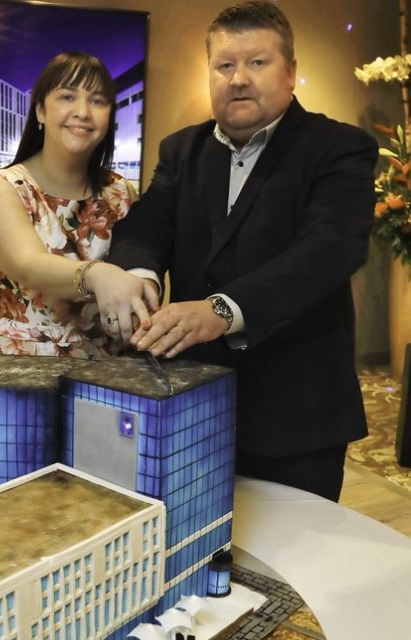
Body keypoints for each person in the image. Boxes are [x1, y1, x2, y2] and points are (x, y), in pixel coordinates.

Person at [108, 1, 378, 501]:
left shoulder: (339, 147)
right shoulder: (180, 150)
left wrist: (222, 311)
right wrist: (138, 276)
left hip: (296, 416)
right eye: (225, 65)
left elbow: (329, 250)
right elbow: (148, 221)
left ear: (291, 72)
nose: (238, 79)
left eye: (257, 63)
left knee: (297, 570)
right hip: (194, 407)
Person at [0, 51, 159, 358]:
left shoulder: (120, 191)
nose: (83, 111)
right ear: (41, 111)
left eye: (97, 101)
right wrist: (95, 275)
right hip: (19, 368)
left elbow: (140, 260)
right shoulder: (3, 187)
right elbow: (30, 266)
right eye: (67, 97)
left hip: (107, 373)